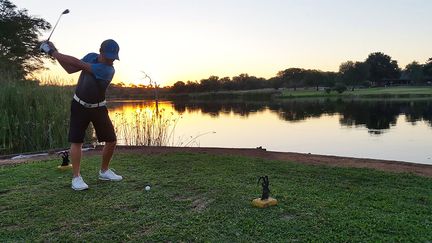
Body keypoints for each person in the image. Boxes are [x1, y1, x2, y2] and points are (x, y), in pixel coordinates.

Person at [40, 39, 123, 191]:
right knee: (76, 141)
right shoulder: (91, 56)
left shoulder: (108, 70)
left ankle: (104, 172)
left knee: (111, 140)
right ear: (100, 51)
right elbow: (70, 69)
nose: (111, 60)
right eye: (108, 56)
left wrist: (52, 52)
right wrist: (54, 51)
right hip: (79, 105)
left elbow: (78, 64)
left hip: (98, 107)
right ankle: (76, 178)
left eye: (113, 57)